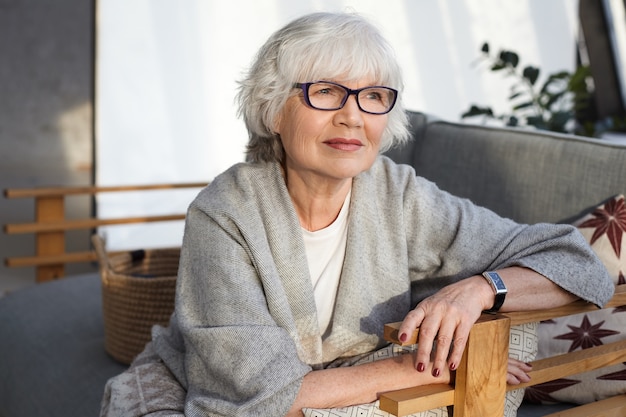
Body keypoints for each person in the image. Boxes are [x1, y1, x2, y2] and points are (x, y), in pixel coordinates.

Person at [100, 11, 614, 417]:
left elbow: (576, 262)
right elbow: (256, 399)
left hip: (343, 385)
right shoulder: (224, 214)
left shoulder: (399, 195)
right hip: (192, 391)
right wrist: (429, 371)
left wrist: (479, 290)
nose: (352, 115)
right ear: (274, 109)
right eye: (325, 91)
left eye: (372, 96)